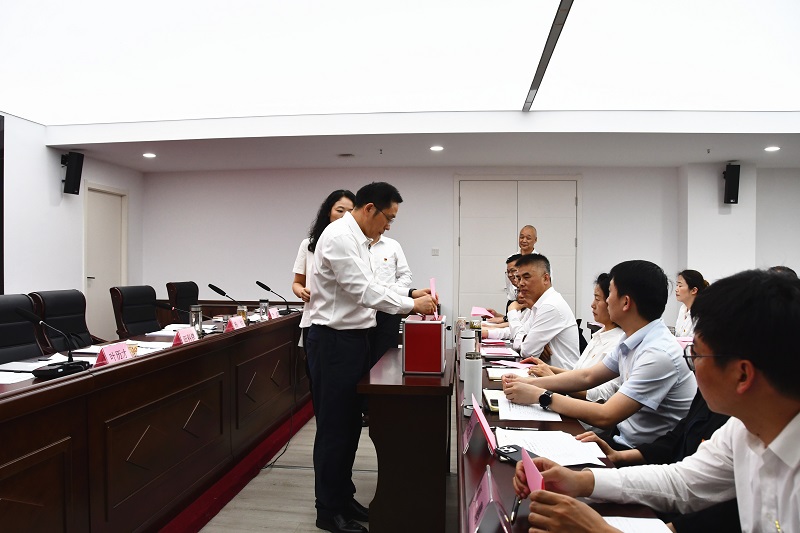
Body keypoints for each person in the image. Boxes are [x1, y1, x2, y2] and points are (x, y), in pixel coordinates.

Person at [511, 269, 800, 533]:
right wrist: (580, 481)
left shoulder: (660, 353)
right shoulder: (743, 428)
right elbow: (682, 482)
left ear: (742, 374)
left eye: (696, 354)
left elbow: (607, 413)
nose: (692, 365)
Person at [306, 182, 437, 533]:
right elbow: (363, 291)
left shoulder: (360, 240)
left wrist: (410, 293)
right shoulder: (339, 237)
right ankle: (328, 510)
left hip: (355, 341)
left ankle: (343, 497)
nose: (389, 226)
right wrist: (411, 305)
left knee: (350, 426)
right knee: (334, 429)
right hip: (334, 342)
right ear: (368, 209)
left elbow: (375, 284)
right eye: (388, 218)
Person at [503, 260, 696, 449]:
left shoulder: (658, 353)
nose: (606, 300)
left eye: (609, 293)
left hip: (640, 453)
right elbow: (587, 377)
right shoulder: (633, 338)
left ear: (626, 302)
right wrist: (529, 383)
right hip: (622, 439)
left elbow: (606, 415)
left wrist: (541, 395)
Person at [525, 273, 625, 433]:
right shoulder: (600, 334)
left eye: (598, 299)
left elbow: (600, 396)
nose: (592, 305)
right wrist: (548, 370)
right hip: (569, 412)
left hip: (584, 425)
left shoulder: (619, 343)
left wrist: (552, 379)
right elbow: (580, 375)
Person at [292, 189, 355, 361]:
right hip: (313, 319)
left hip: (346, 323)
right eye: (340, 210)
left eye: (350, 212)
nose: (344, 216)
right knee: (315, 371)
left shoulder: (357, 245)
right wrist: (301, 291)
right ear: (328, 212)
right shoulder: (309, 245)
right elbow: (297, 283)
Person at [506, 253, 580, 369]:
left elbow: (527, 351)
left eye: (526, 277)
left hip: (559, 378)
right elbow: (518, 338)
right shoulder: (539, 304)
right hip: (544, 374)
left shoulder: (550, 306)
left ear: (545, 278)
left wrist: (529, 342)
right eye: (519, 278)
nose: (520, 283)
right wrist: (529, 340)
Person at [503, 225, 537, 305]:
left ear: (535, 240)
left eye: (528, 238)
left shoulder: (539, 261)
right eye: (521, 237)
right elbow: (508, 283)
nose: (524, 240)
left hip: (531, 302)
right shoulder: (511, 258)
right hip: (513, 302)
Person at [674, 269, 708, 337]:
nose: (676, 289)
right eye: (677, 285)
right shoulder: (683, 309)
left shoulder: (702, 313)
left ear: (694, 290)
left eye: (680, 286)